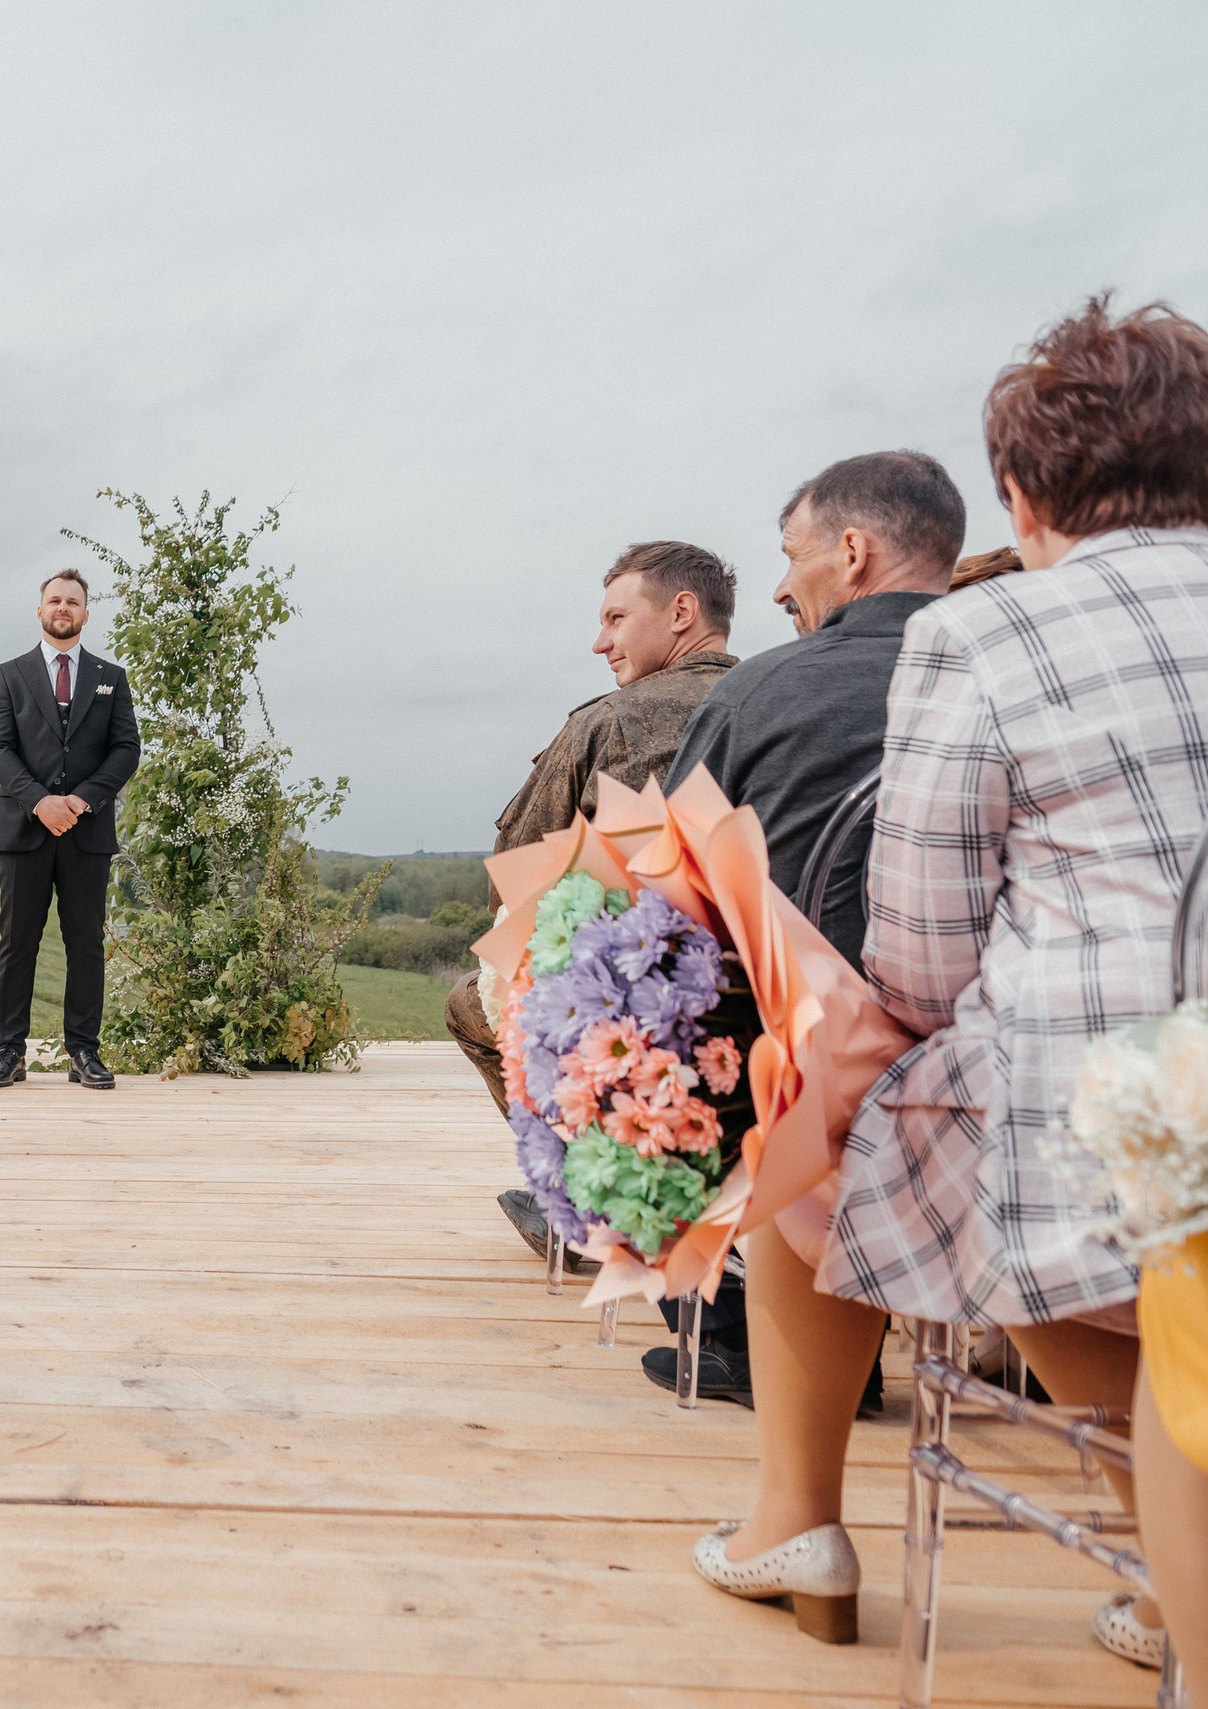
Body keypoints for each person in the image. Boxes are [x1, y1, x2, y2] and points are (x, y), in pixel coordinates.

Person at [693, 297, 1208, 1669]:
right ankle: (1162, 1573)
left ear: (1029, 493)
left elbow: (918, 954)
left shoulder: (986, 639)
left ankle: (796, 1515)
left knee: (816, 1119)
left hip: (1115, 1150)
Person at [644, 450, 966, 1407]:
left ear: (854, 552)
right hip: (1004, 1059)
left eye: (792, 557)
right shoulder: (1023, 679)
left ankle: (749, 1334)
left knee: (645, 999)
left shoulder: (762, 692)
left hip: (802, 1081)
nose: (781, 586)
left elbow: (669, 885)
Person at [472, 543, 739, 1260]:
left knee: (475, 1006)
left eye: (616, 618)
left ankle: (586, 1192)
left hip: (636, 999)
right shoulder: (773, 700)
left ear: (682, 613)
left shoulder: (609, 721)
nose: (601, 642)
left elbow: (515, 867)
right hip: (775, 982)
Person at [0, 567, 140, 1090]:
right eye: (55, 600)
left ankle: (84, 1054)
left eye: (73, 601)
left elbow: (126, 750)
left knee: (86, 945)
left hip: (87, 834)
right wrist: (40, 802)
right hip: (24, 831)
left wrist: (81, 799)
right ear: (41, 609)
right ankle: (10, 1052)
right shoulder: (9, 673)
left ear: (86, 614)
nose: (63, 608)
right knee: (16, 944)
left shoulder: (111, 678)